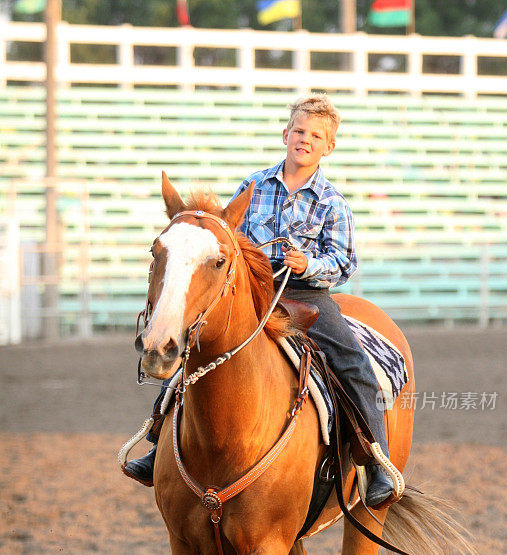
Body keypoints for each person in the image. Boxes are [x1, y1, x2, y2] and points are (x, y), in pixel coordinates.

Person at [125, 94, 395, 507]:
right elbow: (227, 238)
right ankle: (157, 437)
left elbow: (344, 262)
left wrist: (309, 264)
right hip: (253, 290)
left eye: (316, 136)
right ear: (286, 135)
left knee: (353, 363)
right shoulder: (253, 187)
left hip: (307, 294)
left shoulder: (333, 203)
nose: (305, 140)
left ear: (329, 147)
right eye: (300, 131)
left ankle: (376, 461)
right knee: (197, 347)